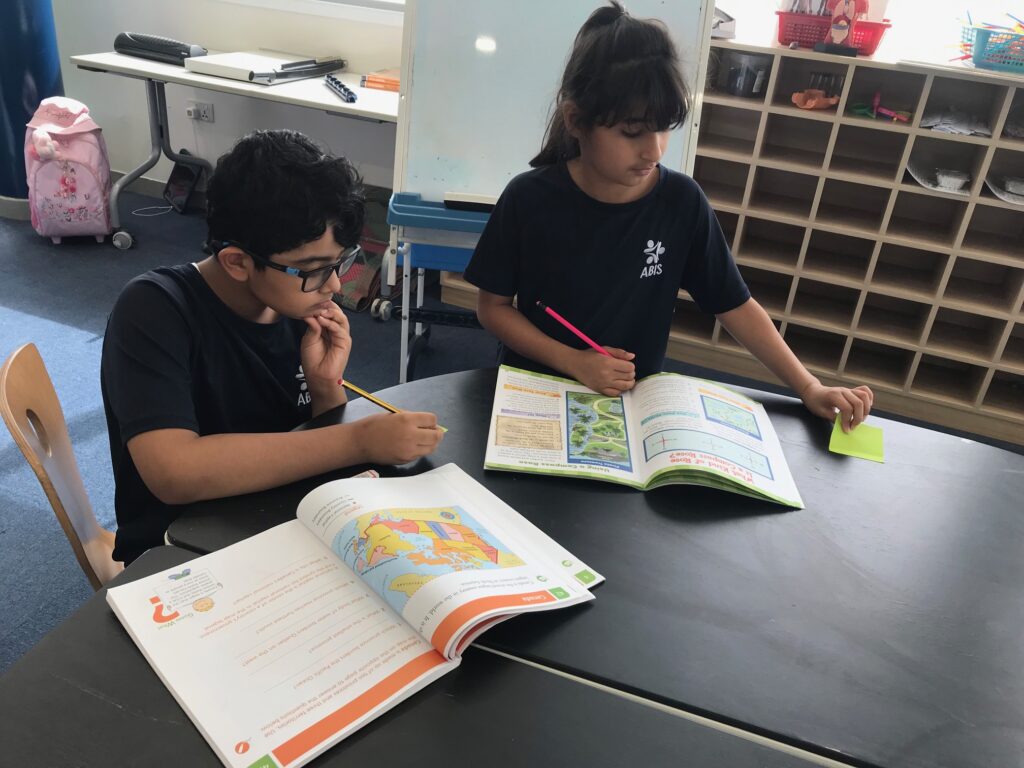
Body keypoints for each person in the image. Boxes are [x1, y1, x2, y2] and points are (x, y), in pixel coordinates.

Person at [464, 1, 872, 430]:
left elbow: (734, 305)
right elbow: (493, 308)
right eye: (632, 132)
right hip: (534, 394)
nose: (654, 150)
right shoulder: (529, 198)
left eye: (663, 128)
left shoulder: (681, 201)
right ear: (576, 121)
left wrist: (808, 386)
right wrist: (573, 361)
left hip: (631, 403)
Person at [101, 129, 443, 565]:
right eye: (314, 269)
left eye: (339, 263)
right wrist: (358, 440)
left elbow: (311, 448)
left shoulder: (295, 306)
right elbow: (174, 472)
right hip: (181, 550)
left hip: (280, 522)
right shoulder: (154, 309)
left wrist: (325, 388)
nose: (334, 286)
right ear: (238, 262)